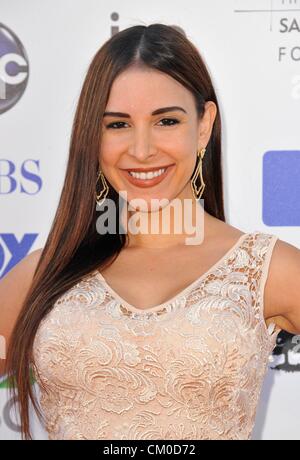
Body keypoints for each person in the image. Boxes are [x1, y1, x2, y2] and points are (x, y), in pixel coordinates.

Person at [1, 23, 300, 441]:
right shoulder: (45, 273)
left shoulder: (268, 270)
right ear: (93, 136)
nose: (141, 150)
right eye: (118, 125)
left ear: (203, 125)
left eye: (166, 121)